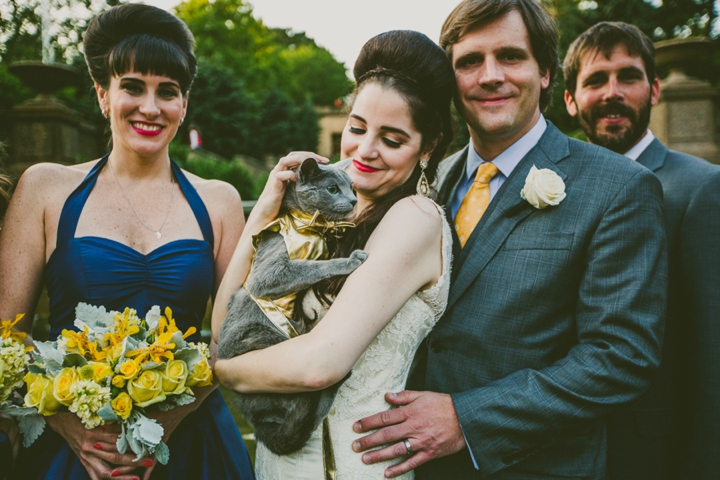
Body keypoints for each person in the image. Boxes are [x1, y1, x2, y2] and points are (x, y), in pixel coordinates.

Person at [351, 1, 668, 479]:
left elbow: (620, 357)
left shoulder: (619, 187)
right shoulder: (424, 179)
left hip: (534, 466)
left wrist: (467, 418)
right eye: (469, 61)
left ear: (544, 72)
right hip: (401, 465)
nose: (490, 76)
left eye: (511, 57)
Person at [0, 4, 254, 480]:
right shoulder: (45, 189)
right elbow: (6, 336)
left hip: (192, 448)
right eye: (133, 87)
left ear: (184, 104)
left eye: (168, 92)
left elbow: (236, 337)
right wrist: (64, 420)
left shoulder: (219, 202)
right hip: (77, 449)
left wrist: (169, 418)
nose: (151, 107)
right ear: (102, 94)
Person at [211, 30, 455, 479]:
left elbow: (319, 365)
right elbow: (226, 321)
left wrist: (223, 372)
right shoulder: (326, 210)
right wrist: (266, 208)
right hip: (280, 464)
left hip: (348, 466)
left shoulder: (415, 218)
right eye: (357, 128)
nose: (364, 150)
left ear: (430, 145)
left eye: (392, 139)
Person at [563, 21, 720, 480]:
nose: (612, 92)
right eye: (595, 80)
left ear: (653, 89)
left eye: (628, 77)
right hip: (558, 449)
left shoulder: (701, 189)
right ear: (571, 100)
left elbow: (712, 356)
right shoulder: (559, 186)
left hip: (649, 455)